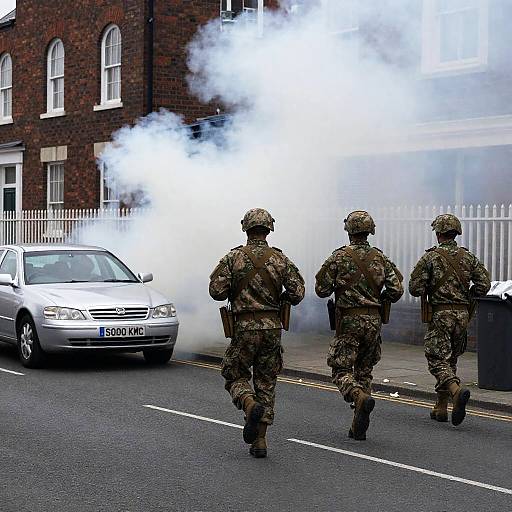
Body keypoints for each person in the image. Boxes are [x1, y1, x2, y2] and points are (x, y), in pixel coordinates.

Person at [209, 208, 305, 458]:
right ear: (269, 229)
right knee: (266, 382)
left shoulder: (234, 257)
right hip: (272, 328)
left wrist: (236, 291)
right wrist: (279, 296)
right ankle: (260, 441)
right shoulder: (280, 259)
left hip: (244, 327)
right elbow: (298, 292)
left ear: (246, 228)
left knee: (234, 374)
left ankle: (248, 403)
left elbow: (216, 291)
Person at [315, 211, 403, 440]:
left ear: (349, 231)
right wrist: (379, 299)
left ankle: (357, 396)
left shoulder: (339, 257)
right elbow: (396, 290)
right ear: (369, 230)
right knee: (364, 370)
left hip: (348, 321)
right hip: (373, 322)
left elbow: (321, 289)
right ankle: (358, 424)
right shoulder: (380, 258)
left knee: (341, 369)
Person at [409, 213, 490, 426]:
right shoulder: (468, 257)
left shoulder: (430, 257)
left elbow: (414, 287)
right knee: (451, 358)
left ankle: (455, 389)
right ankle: (441, 407)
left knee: (436, 358)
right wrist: (467, 295)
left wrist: (430, 287)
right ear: (456, 233)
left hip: (441, 314)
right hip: (463, 315)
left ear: (438, 234)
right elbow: (484, 285)